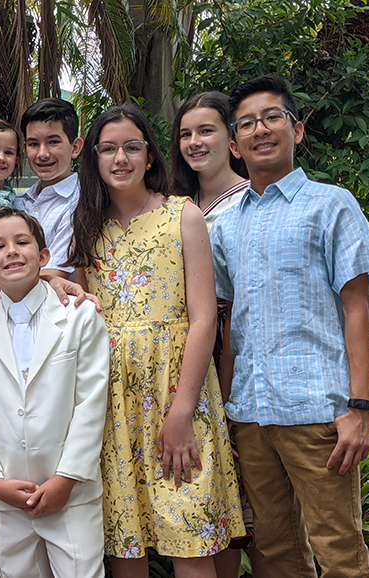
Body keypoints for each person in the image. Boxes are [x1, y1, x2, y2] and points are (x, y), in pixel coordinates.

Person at [210, 74, 369, 578]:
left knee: (340, 551)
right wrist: (225, 410)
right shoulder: (224, 226)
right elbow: (227, 324)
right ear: (236, 145)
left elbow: (357, 309)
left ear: (297, 129)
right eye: (247, 124)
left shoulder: (332, 205)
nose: (260, 130)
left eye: (272, 118)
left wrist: (360, 406)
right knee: (276, 549)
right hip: (251, 411)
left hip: (317, 411)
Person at [68, 104, 245, 578]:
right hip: (110, 400)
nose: (120, 158)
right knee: (127, 542)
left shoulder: (181, 215)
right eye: (108, 149)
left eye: (131, 147)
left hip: (176, 391)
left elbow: (204, 320)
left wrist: (183, 411)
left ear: (149, 156)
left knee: (188, 530)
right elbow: (79, 307)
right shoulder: (87, 226)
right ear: (94, 159)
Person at [0, 207, 109, 578]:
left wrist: (67, 478)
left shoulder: (79, 316)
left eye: (22, 242)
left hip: (70, 493)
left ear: (43, 256)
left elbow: (91, 403)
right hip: (8, 496)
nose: (11, 251)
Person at [169, 92, 269, 578]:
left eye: (206, 131)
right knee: (202, 487)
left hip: (239, 356)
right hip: (186, 361)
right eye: (185, 133)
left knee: (235, 499)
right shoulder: (175, 206)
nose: (194, 142)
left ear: (231, 140)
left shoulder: (252, 202)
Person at [15, 98, 84, 279]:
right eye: (33, 144)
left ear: (75, 147)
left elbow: (52, 274)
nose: (42, 154)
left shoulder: (81, 202)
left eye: (53, 142)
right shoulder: (17, 202)